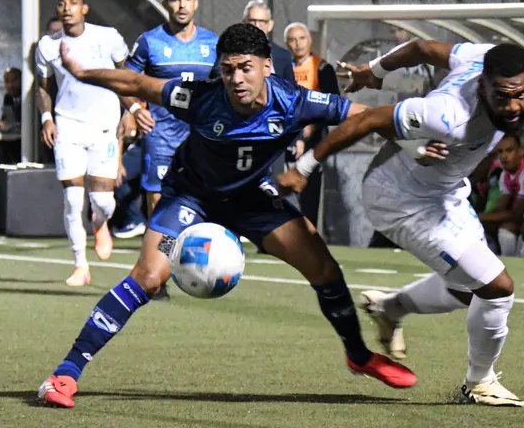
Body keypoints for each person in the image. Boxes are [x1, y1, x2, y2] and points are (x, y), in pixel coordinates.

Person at [36, 23, 416, 409]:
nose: (236, 78)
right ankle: (65, 373)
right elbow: (136, 83)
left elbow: (367, 116)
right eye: (228, 68)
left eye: (246, 67)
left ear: (267, 66)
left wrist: (420, 143)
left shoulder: (295, 101)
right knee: (148, 278)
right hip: (191, 196)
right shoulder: (199, 98)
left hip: (251, 199)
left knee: (324, 268)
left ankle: (359, 355)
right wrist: (82, 73)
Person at [278, 40, 524, 407]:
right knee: (497, 287)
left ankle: (389, 309)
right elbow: (366, 120)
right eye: (502, 96)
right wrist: (303, 169)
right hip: (399, 200)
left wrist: (376, 70)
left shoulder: (486, 56)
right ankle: (478, 383)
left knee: (466, 291)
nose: (512, 107)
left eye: (520, 95)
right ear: (482, 86)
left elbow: (425, 48)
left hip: (444, 192)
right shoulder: (445, 114)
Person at [35, 0, 129, 286]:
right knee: (73, 199)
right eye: (62, 4)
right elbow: (42, 86)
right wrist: (47, 118)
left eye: (73, 4)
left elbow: (128, 76)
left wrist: (132, 110)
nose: (67, 9)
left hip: (103, 126)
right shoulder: (47, 46)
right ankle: (80, 264)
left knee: (103, 201)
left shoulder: (108, 37)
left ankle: (100, 222)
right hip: (68, 128)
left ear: (84, 9)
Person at [123, 0, 218, 220]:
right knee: (158, 197)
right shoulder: (150, 42)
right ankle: (161, 252)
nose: (182, 6)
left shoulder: (214, 43)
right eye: (175, 0)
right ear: (166, 4)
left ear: (196, 3)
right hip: (161, 133)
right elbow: (124, 80)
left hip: (201, 135)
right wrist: (134, 109)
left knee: (203, 196)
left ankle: (194, 249)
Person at [284, 21, 340, 226]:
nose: (297, 44)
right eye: (292, 39)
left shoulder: (322, 68)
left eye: (302, 38)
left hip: (313, 141)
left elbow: (333, 106)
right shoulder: (282, 67)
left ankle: (309, 232)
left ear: (310, 41)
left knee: (309, 190)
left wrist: (310, 128)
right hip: (285, 138)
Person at [478, 133, 524, 256]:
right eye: (500, 151)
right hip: (521, 220)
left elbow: (515, 214)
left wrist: (478, 217)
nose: (504, 156)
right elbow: (500, 207)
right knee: (485, 226)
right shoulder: (505, 174)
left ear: (520, 151)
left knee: (506, 230)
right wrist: (482, 218)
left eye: (509, 150)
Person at [242, 0, 295, 83]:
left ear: (270, 25)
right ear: (244, 23)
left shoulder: (283, 57)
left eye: (262, 22)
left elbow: (290, 90)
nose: (257, 26)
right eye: (252, 21)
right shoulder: (231, 53)